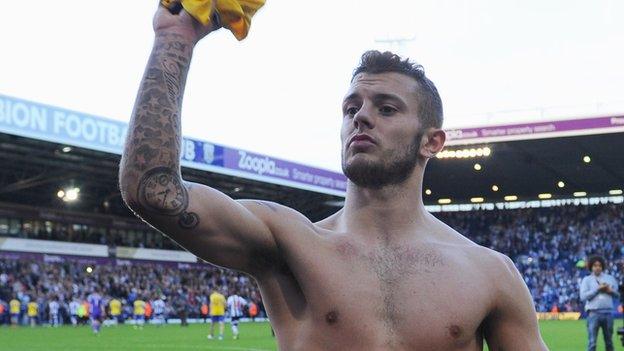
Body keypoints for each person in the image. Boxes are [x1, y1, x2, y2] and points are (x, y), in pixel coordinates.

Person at [118, 3, 548, 349]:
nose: (361, 117)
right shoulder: (290, 242)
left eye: (386, 108)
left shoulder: (490, 272)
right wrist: (174, 39)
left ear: (432, 142)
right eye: (351, 108)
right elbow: (152, 191)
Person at [580, 255, 620, 351]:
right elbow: (583, 297)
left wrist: (609, 291)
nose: (597, 267)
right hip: (593, 313)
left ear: (602, 267)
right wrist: (598, 289)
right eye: (595, 265)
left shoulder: (610, 278)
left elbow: (617, 295)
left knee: (609, 342)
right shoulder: (587, 280)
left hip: (608, 313)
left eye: (599, 265)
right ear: (591, 267)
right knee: (592, 343)